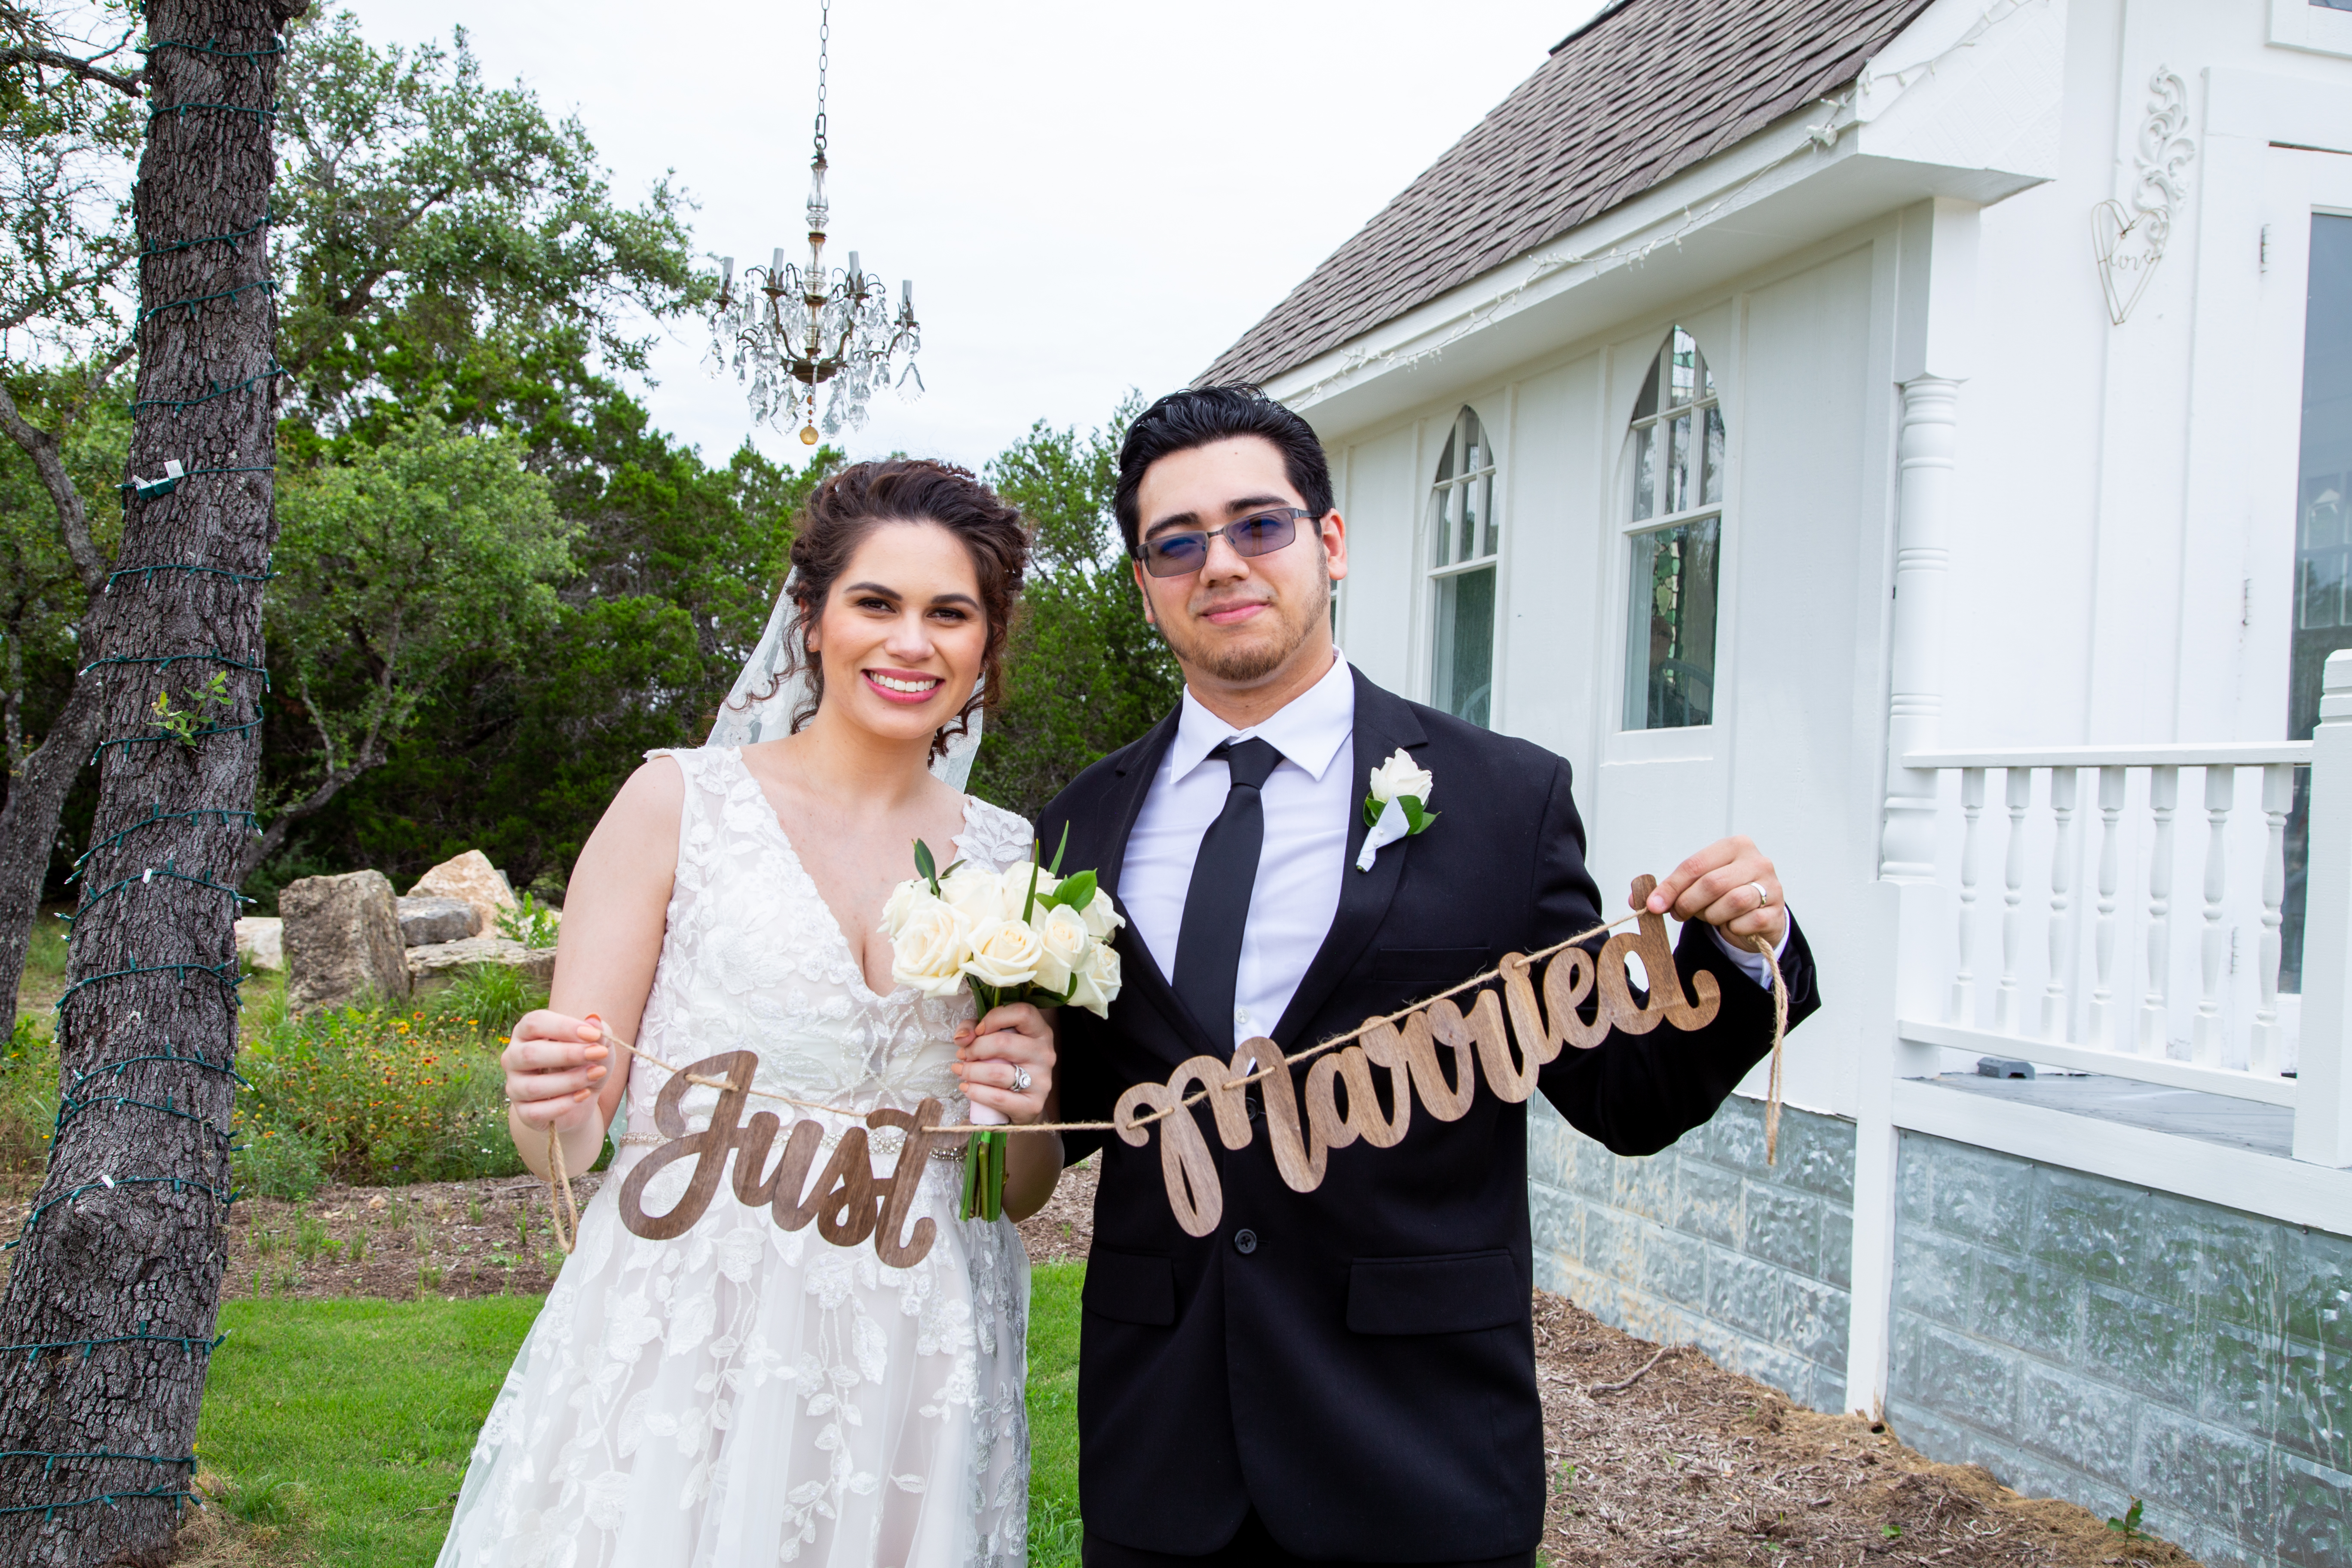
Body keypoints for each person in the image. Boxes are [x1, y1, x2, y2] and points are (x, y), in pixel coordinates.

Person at [1038, 386, 1821, 1568]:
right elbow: (1065, 1108)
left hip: (1416, 1450)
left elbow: (1625, 1097)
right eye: (1178, 542)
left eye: (1259, 525)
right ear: (1147, 581)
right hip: (1165, 1445)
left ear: (1331, 542)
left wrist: (1740, 947)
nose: (1222, 563)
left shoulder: (1504, 802)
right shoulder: (1082, 825)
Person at [439, 460, 1063, 1568]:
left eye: (949, 613)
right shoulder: (679, 804)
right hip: (697, 1325)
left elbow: (1012, 1191)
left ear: (986, 646)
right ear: (813, 620)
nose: (910, 643)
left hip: (919, 1340)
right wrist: (542, 1099)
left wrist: (1027, 1109)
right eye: (877, 604)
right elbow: (572, 1136)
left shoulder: (1015, 861)